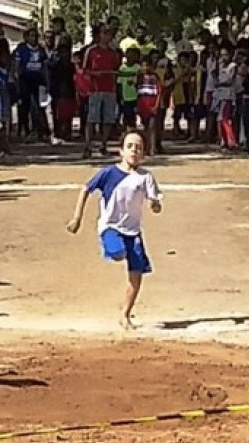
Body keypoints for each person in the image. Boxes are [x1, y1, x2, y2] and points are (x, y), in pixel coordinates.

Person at [66, 130, 163, 330]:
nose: (134, 151)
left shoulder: (146, 177)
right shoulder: (109, 173)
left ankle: (125, 314)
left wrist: (155, 206)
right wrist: (77, 217)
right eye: (130, 146)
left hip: (133, 231)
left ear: (144, 153)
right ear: (121, 151)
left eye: (139, 148)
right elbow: (86, 189)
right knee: (118, 252)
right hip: (110, 227)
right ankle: (111, 247)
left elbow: (155, 203)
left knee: (137, 274)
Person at [82, 25, 120, 158]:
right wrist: (95, 74)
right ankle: (88, 146)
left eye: (109, 33)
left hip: (110, 88)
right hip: (95, 89)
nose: (107, 36)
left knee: (108, 119)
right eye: (104, 33)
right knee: (92, 118)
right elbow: (84, 69)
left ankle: (103, 145)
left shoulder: (113, 52)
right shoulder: (91, 51)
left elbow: (117, 68)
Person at [14, 29, 49, 142]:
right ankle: (24, 130)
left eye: (35, 36)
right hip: (25, 80)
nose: (34, 38)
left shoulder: (41, 50)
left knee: (38, 107)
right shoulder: (21, 49)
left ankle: (40, 131)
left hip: (38, 81)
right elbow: (17, 66)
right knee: (24, 106)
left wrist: (46, 82)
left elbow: (44, 67)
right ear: (26, 37)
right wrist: (17, 80)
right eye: (31, 36)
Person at [213, 45, 238, 151]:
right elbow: (213, 74)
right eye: (222, 55)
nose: (224, 57)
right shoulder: (219, 65)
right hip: (219, 96)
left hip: (228, 96)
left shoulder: (233, 66)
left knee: (225, 118)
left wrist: (220, 84)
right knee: (219, 119)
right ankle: (223, 140)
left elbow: (230, 80)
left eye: (226, 55)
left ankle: (231, 141)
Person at [137, 56, 161, 155]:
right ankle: (146, 147)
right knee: (146, 126)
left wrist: (156, 105)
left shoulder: (155, 77)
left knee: (152, 126)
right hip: (143, 105)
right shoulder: (139, 77)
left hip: (152, 103)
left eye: (147, 66)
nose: (145, 68)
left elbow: (159, 92)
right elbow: (137, 92)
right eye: (143, 66)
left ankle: (153, 148)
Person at [117, 47, 141, 130]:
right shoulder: (122, 68)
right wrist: (120, 96)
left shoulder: (138, 67)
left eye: (132, 54)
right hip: (125, 96)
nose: (130, 56)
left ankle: (133, 130)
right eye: (128, 54)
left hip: (135, 96)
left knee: (133, 115)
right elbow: (119, 83)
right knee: (126, 114)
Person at [172, 52, 192, 138]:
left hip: (187, 90)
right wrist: (183, 72)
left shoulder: (190, 69)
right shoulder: (175, 69)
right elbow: (175, 79)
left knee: (188, 112)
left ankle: (189, 130)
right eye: (181, 60)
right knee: (177, 112)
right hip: (178, 92)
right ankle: (176, 129)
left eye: (185, 60)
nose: (183, 62)